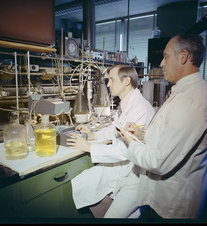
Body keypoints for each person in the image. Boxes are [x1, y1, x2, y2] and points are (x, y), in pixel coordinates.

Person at [120, 33, 207, 219]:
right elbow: (169, 134)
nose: (162, 63)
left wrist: (129, 142)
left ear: (183, 57)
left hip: (174, 205)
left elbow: (159, 162)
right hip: (165, 198)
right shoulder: (184, 91)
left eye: (165, 56)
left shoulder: (191, 101)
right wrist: (142, 134)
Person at [67, 64, 156, 218]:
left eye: (112, 80)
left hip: (135, 177)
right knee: (83, 181)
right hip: (123, 169)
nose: (108, 85)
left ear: (126, 81)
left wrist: (89, 147)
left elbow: (126, 151)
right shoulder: (127, 102)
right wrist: (94, 136)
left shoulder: (140, 108)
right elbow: (114, 129)